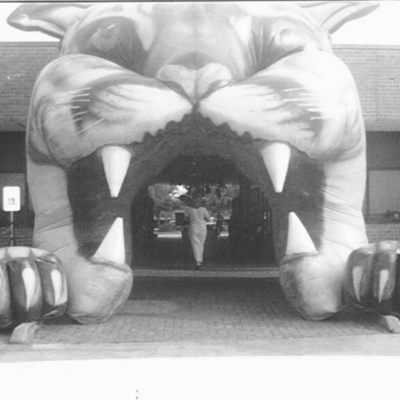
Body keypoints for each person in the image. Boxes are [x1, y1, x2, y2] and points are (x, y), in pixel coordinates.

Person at [186, 195, 209, 270]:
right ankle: (200, 260)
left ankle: (198, 261)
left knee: (195, 244)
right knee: (201, 244)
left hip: (193, 227)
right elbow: (207, 219)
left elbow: (185, 218)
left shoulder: (189, 209)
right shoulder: (203, 209)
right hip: (202, 228)